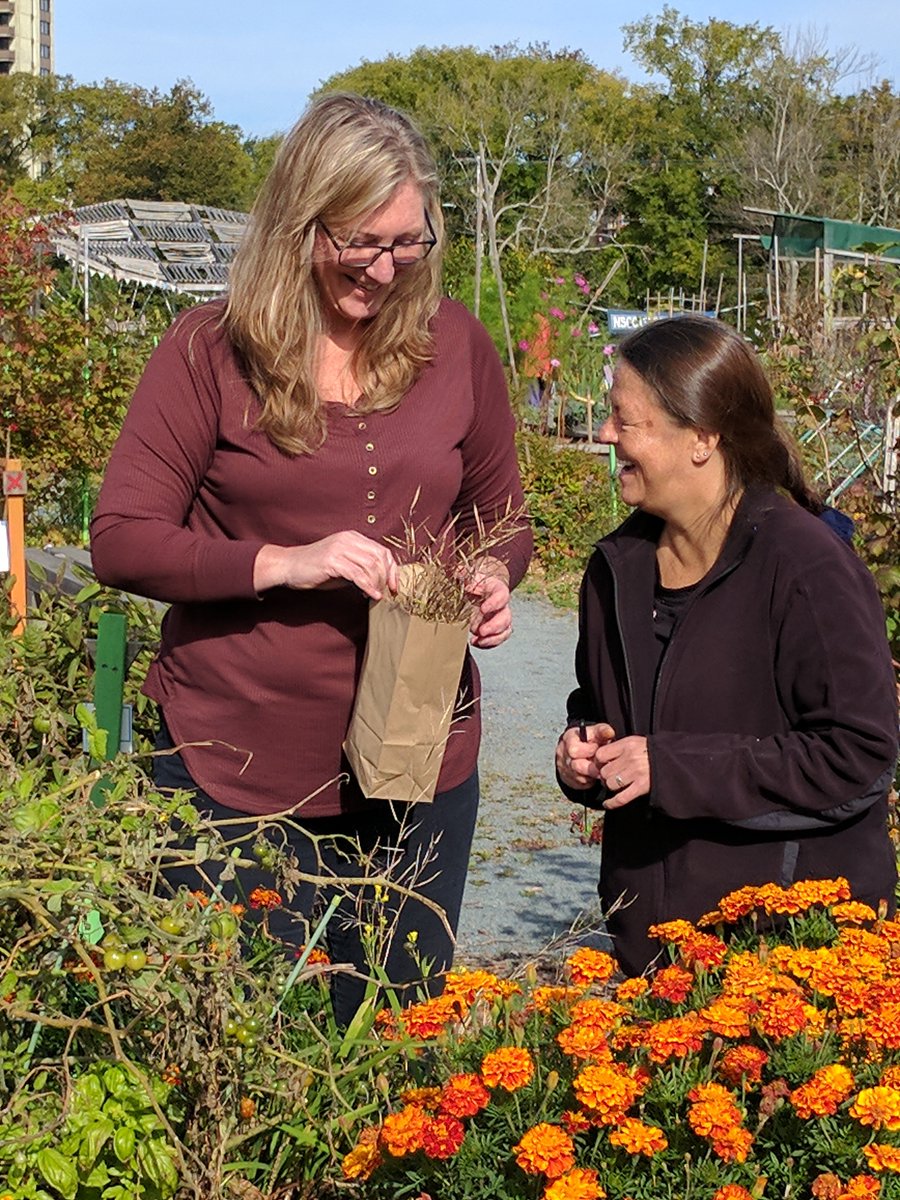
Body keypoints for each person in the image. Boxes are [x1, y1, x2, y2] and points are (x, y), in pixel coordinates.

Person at [91, 93, 532, 1023]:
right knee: (253, 1051)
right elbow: (122, 538)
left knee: (398, 1044)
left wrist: (494, 577)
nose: (383, 269)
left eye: (408, 244)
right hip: (235, 769)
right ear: (301, 222)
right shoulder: (208, 352)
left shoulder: (457, 344)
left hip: (420, 760)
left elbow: (504, 518)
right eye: (360, 243)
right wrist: (284, 563)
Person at [556, 316, 898, 976]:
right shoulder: (616, 568)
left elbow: (860, 757)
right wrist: (583, 749)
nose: (604, 435)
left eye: (625, 420)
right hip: (650, 949)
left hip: (783, 960)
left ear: (702, 438)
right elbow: (598, 703)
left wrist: (673, 767)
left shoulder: (806, 566)